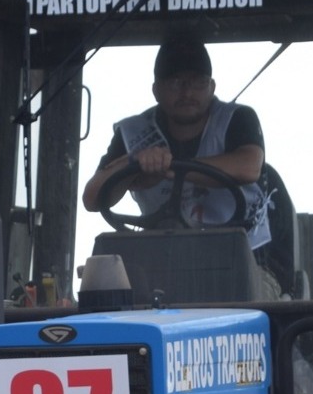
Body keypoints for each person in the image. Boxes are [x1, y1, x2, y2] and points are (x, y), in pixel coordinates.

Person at [80, 38, 279, 296]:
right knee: (112, 293)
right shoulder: (134, 134)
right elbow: (93, 198)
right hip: (162, 267)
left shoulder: (237, 120)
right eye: (175, 83)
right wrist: (134, 166)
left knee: (232, 295)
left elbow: (249, 166)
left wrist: (170, 167)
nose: (186, 93)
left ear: (212, 87)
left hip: (244, 261)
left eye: (197, 82)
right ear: (156, 90)